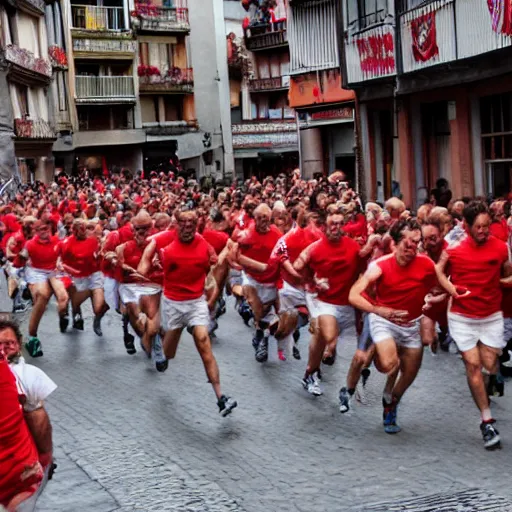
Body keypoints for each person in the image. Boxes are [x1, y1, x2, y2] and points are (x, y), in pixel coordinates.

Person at [349, 218, 439, 433]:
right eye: (408, 243)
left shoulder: (425, 263)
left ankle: (391, 403)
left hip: (411, 326)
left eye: (416, 243)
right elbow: (354, 293)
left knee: (409, 374)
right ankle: (369, 364)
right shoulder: (379, 264)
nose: (413, 248)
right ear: (395, 244)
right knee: (389, 363)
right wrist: (378, 310)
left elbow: (437, 286)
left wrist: (431, 303)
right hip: (384, 320)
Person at [435, 200, 512, 449]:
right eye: (478, 227)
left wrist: (502, 283)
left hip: (491, 315)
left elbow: (508, 272)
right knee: (473, 366)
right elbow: (437, 270)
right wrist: (451, 289)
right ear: (467, 226)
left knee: (490, 365)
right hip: (462, 317)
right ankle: (487, 421)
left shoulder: (501, 248)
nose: (483, 231)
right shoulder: (454, 248)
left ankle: (493, 378)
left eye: (486, 226)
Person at [159, 207, 237, 416]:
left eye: (191, 224)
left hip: (195, 302)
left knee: (203, 341)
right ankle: (163, 353)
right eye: (183, 223)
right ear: (176, 224)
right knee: (169, 353)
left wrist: (214, 293)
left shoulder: (203, 243)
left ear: (196, 225)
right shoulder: (165, 246)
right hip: (174, 303)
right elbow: (154, 265)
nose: (187, 228)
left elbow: (215, 267)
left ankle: (221, 397)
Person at [293, 209, 361, 396]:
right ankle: (313, 372)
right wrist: (313, 280)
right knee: (327, 334)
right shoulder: (315, 248)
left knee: (324, 339)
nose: (336, 228)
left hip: (348, 303)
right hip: (325, 302)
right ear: (325, 227)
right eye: (333, 224)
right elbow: (298, 266)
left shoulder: (354, 247)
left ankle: (309, 373)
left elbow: (365, 270)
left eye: (340, 224)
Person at [0, 319, 55, 512]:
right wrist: (46, 455)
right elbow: (39, 420)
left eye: (9, 344)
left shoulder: (28, 374)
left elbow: (38, 421)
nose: (4, 350)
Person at [19, 216, 69, 358]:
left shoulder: (56, 241)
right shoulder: (30, 244)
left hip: (53, 271)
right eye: (40, 229)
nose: (44, 231)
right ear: (35, 231)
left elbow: (65, 253)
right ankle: (32, 336)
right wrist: (19, 258)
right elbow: (19, 261)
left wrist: (62, 261)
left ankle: (64, 315)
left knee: (63, 297)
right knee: (43, 296)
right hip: (37, 272)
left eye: (46, 228)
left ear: (50, 228)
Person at [59, 219, 108, 335]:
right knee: (74, 301)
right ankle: (76, 314)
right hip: (78, 277)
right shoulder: (67, 244)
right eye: (80, 230)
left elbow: (103, 253)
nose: (84, 232)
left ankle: (97, 319)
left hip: (95, 275)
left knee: (99, 307)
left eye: (85, 229)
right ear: (74, 231)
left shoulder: (94, 240)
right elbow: (62, 263)